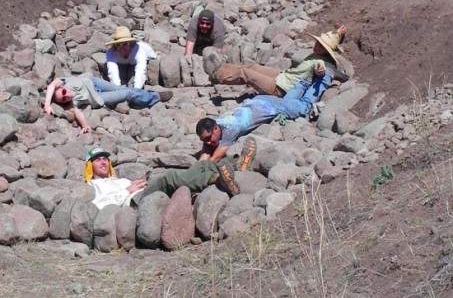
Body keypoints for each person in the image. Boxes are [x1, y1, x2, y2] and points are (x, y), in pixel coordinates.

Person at [84, 142, 257, 208]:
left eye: (105, 159)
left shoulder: (119, 179)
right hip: (135, 204)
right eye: (98, 160)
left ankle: (235, 164)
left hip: (145, 195)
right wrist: (127, 190)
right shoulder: (92, 186)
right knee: (171, 177)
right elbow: (99, 207)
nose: (103, 162)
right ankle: (222, 176)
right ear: (90, 166)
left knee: (202, 165)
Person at [196, 77, 330, 162]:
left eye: (208, 138)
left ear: (215, 129)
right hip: (258, 102)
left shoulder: (231, 128)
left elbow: (214, 158)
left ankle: (324, 77)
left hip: (270, 107)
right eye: (204, 140)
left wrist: (201, 169)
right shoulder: (217, 123)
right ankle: (305, 81)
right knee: (287, 102)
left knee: (304, 107)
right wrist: (203, 157)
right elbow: (206, 152)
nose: (208, 142)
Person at [203, 26, 348, 97]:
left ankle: (216, 75)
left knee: (246, 73)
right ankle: (221, 66)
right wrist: (338, 33)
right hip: (283, 75)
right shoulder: (318, 54)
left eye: (321, 46)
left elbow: (320, 68)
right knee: (252, 65)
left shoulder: (322, 62)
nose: (316, 46)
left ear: (326, 51)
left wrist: (320, 71)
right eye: (317, 43)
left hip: (281, 89)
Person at [44, 76, 173, 134]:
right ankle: (155, 96)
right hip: (99, 98)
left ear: (61, 87)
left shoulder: (63, 81)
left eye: (64, 92)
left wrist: (47, 105)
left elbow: (51, 85)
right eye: (64, 99)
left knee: (120, 88)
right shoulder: (71, 103)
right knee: (128, 93)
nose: (67, 96)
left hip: (94, 82)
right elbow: (78, 113)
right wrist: (85, 126)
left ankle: (146, 94)